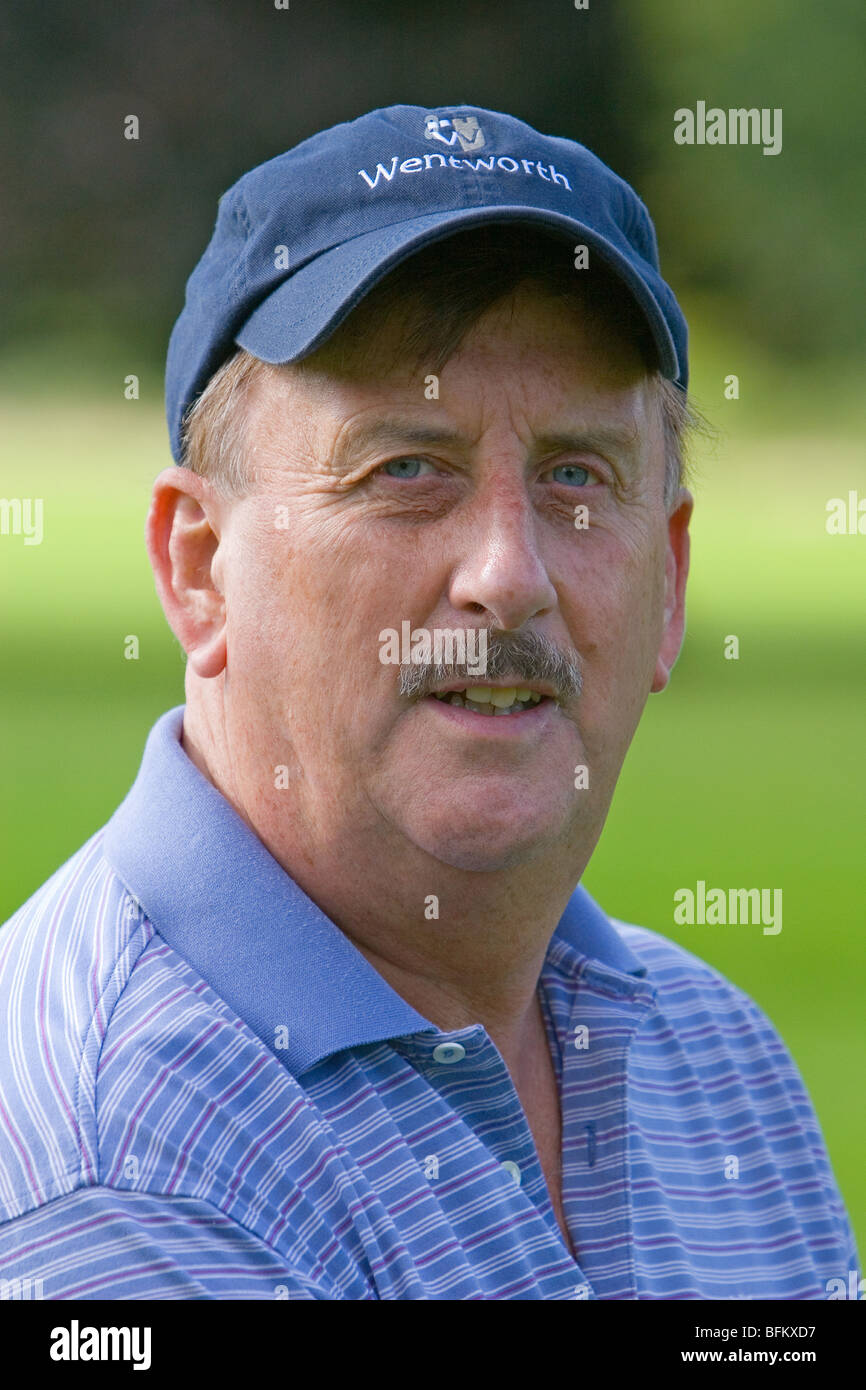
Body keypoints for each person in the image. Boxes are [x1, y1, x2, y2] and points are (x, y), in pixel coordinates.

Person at [0, 104, 856, 1300]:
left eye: (573, 474)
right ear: (199, 568)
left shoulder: (716, 1059)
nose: (507, 573)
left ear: (667, 585)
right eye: (405, 467)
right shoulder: (128, 1176)